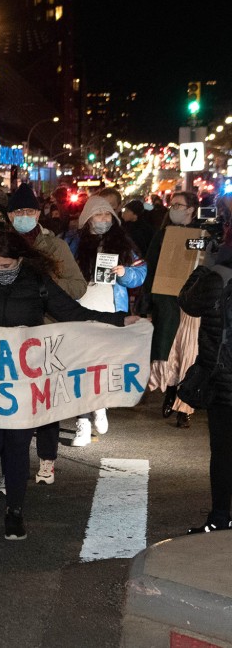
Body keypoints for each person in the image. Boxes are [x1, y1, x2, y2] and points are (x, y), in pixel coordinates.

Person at [0, 230, 138, 540]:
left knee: (16, 447)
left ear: (20, 260)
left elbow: (75, 314)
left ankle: (15, 511)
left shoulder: (37, 284)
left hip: (25, 383)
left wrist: (120, 321)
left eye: (7, 266)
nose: (1, 272)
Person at [65, 196, 146, 451]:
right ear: (87, 217)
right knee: (81, 369)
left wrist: (125, 273)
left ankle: (99, 407)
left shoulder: (124, 244)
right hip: (81, 313)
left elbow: (140, 273)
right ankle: (83, 421)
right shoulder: (72, 243)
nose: (103, 220)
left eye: (108, 215)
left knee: (101, 368)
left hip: (111, 313)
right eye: (98, 215)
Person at [177, 254, 232, 534]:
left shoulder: (218, 274)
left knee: (223, 453)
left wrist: (202, 266)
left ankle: (221, 518)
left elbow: (187, 301)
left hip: (222, 381)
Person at [143, 192, 200, 428]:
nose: (174, 208)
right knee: (170, 351)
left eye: (179, 205)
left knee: (189, 352)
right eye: (172, 204)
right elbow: (151, 268)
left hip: (194, 305)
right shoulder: (162, 235)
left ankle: (185, 405)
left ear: (191, 209)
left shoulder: (203, 235)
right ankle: (172, 390)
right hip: (167, 301)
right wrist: (148, 303)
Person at [7, 183, 87, 300]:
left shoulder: (56, 246)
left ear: (38, 214)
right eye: (19, 211)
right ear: (10, 215)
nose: (24, 215)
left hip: (45, 316)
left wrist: (46, 284)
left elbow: (79, 287)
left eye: (30, 211)